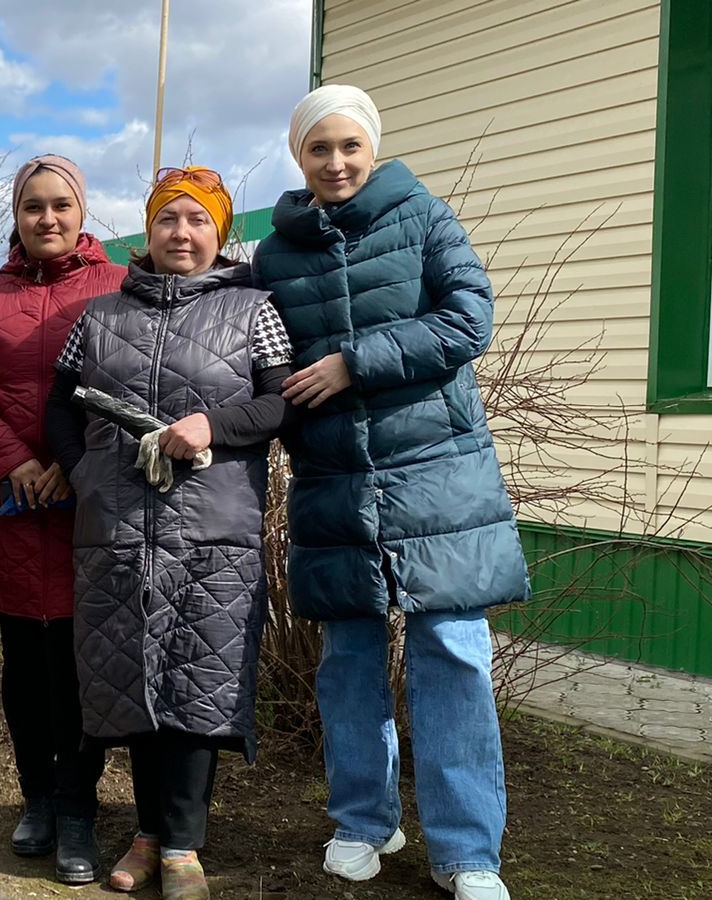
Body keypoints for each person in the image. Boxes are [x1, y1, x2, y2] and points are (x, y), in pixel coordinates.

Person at [252, 84, 526, 900]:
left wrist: (354, 361)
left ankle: (468, 850)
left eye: (349, 147)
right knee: (348, 660)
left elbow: (470, 318)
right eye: (318, 149)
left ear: (372, 150)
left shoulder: (424, 218)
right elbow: (264, 365)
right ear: (299, 158)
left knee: (453, 655)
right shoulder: (275, 254)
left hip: (440, 474)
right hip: (334, 481)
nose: (335, 163)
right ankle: (365, 822)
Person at [46, 167, 293, 900]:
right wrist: (83, 474)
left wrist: (211, 425)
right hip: (117, 528)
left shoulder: (255, 309)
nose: (181, 234)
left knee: (198, 685)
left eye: (197, 221)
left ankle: (184, 844)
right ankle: (147, 834)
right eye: (167, 220)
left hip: (214, 530)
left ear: (220, 234)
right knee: (132, 680)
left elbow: (282, 406)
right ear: (147, 233)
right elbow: (61, 409)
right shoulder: (99, 317)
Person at [0, 155, 120, 883]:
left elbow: (134, 378)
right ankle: (37, 797)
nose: (47, 219)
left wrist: (73, 464)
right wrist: (11, 457)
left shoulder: (118, 287)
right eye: (32, 207)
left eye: (60, 206)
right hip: (9, 500)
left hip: (89, 497)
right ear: (16, 217)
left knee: (82, 663)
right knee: (22, 661)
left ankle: (79, 807)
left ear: (82, 212)